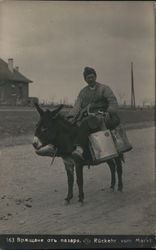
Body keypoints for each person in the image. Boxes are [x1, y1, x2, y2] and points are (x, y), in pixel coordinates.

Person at [67, 66, 120, 162]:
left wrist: (108, 112)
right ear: (85, 79)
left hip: (102, 115)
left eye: (92, 77)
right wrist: (70, 117)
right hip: (87, 116)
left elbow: (112, 102)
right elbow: (77, 106)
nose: (90, 79)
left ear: (95, 77)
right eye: (88, 78)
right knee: (74, 125)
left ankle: (79, 149)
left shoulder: (104, 88)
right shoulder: (83, 92)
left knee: (87, 123)